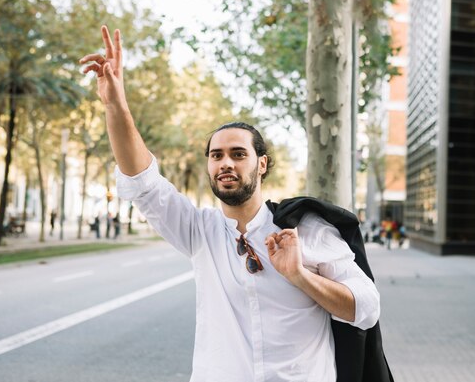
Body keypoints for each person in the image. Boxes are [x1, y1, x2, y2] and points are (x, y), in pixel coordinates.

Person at [80, 26, 380, 382]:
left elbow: (366, 309)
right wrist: (116, 102)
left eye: (238, 154)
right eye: (216, 155)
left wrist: (300, 276)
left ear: (262, 164)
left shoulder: (305, 229)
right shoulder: (199, 231)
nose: (226, 163)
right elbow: (143, 182)